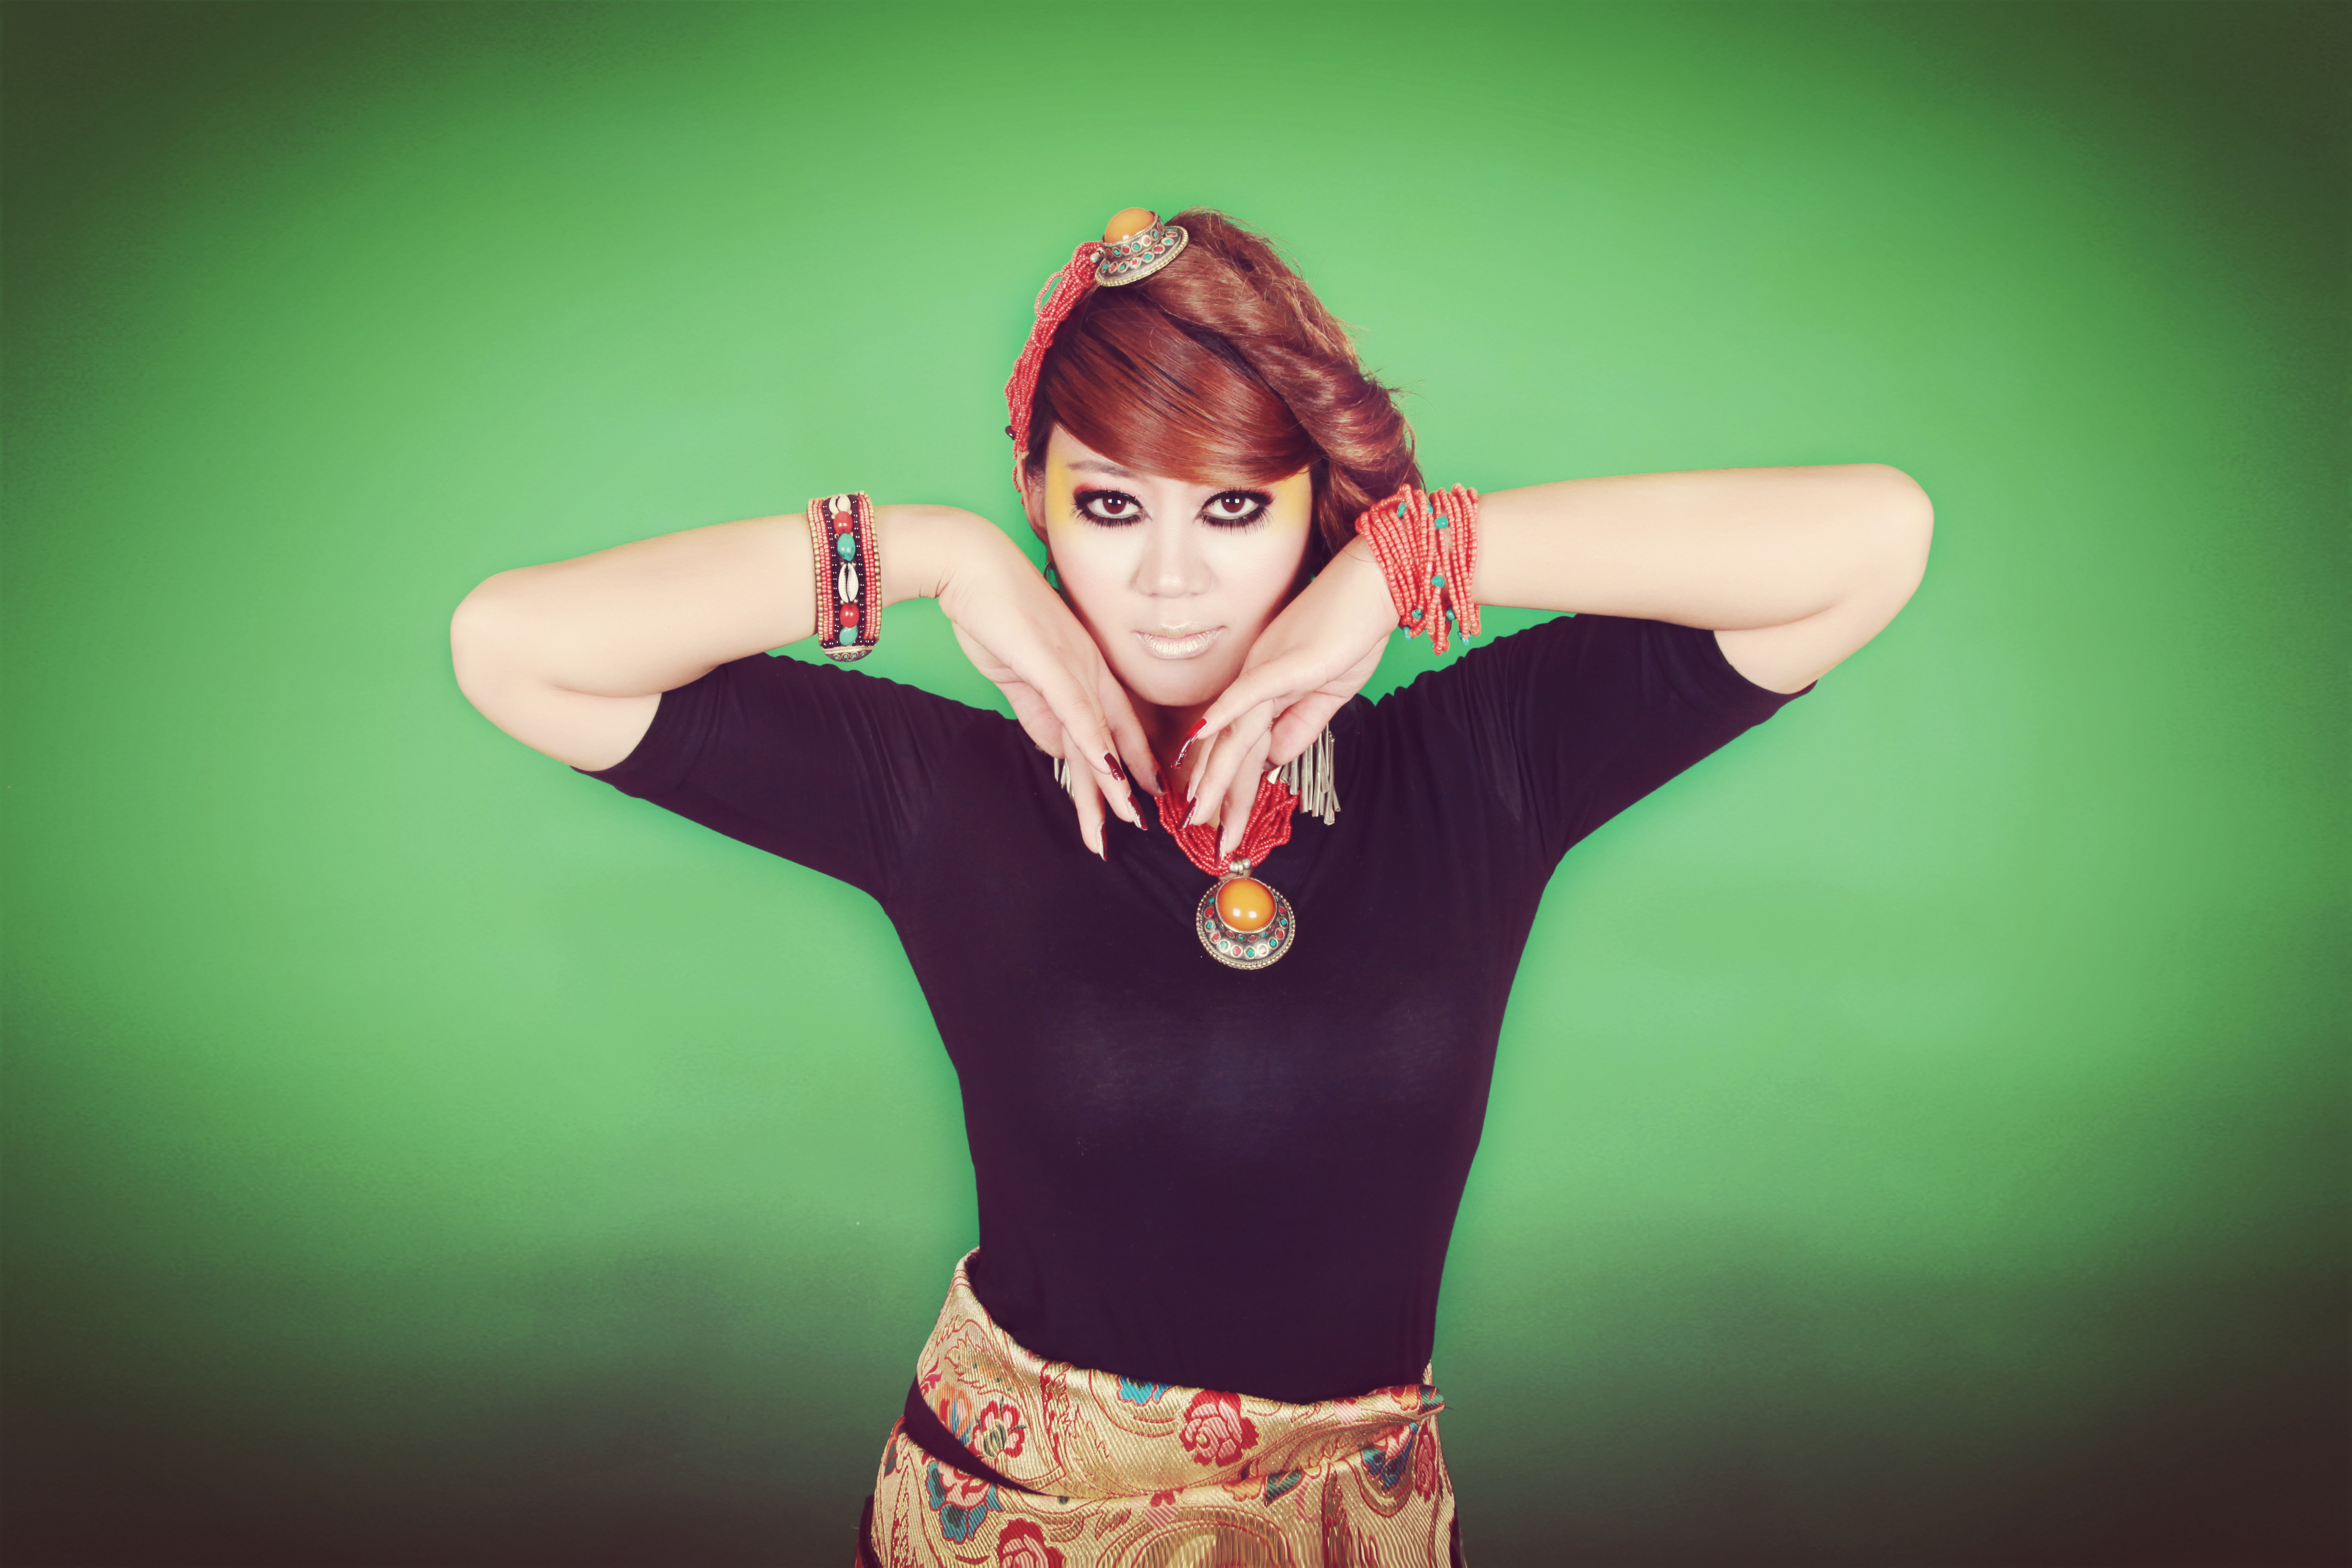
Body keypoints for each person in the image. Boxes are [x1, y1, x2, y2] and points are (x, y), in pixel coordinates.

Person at [449, 207, 1931, 1567]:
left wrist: (1410, 561)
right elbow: (514, 650)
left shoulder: (1480, 763)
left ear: (1312, 508)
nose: (1170, 583)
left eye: (1232, 510)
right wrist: (939, 556)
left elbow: (1875, 541)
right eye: (1110, 507)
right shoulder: (945, 793)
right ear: (1041, 502)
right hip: (1004, 1526)